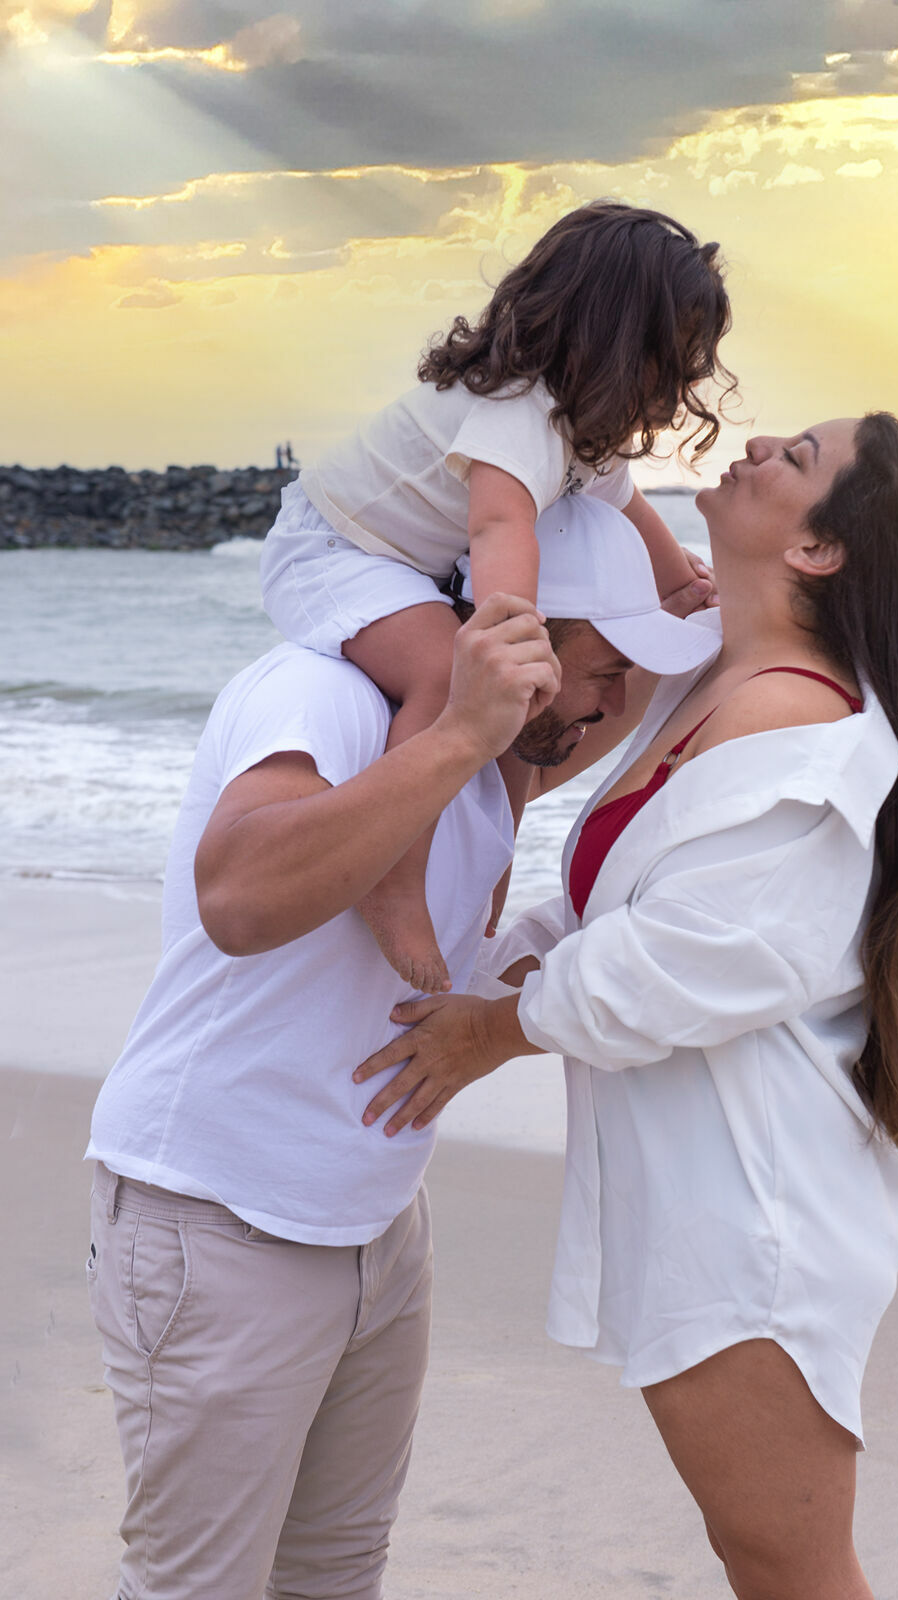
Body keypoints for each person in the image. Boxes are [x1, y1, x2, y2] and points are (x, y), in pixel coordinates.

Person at [355, 412, 898, 1600]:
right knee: (756, 1554)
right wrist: (470, 967)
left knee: (787, 1565)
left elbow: (684, 961)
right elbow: (604, 907)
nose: (755, 444)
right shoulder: (712, 677)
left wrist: (490, 1031)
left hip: (760, 1227)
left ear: (820, 552)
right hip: (702, 1202)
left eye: (796, 459)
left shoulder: (806, 741)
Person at [84, 498, 716, 1600]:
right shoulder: (324, 692)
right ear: (513, 640)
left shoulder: (506, 753)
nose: (614, 700)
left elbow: (636, 697)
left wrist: (696, 595)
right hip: (221, 1219)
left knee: (335, 1575)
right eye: (603, 663)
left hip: (374, 1228)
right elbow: (238, 895)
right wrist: (469, 727)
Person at [259, 199, 733, 994]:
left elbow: (624, 503)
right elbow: (499, 523)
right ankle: (394, 883)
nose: (687, 380)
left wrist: (681, 583)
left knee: (512, 728)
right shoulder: (520, 408)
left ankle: (481, 878)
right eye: (676, 356)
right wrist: (513, 633)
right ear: (613, 338)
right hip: (336, 549)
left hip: (411, 566)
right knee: (454, 678)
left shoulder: (586, 425)